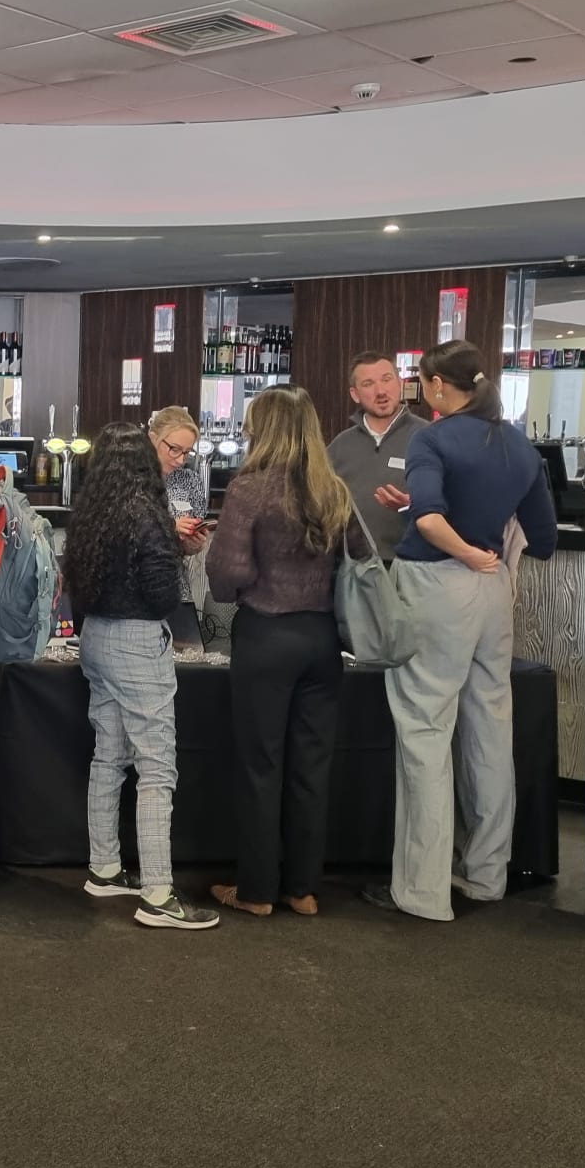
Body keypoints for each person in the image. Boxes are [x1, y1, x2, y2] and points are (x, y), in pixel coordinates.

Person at [365, 341, 557, 921]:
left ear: (438, 387)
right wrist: (479, 550)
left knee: (425, 730)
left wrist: (462, 548)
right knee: (490, 730)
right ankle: (487, 875)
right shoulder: (520, 444)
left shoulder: (432, 436)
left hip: (436, 586)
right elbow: (544, 540)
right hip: (495, 593)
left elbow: (429, 520)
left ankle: (422, 891)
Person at [205, 388, 360, 918]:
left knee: (260, 767)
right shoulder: (333, 488)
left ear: (261, 429)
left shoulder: (249, 488)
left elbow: (226, 578)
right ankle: (303, 888)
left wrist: (250, 577)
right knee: (310, 769)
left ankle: (255, 891)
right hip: (323, 641)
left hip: (267, 637)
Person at [61, 424, 220, 930]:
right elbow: (162, 595)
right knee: (156, 769)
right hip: (136, 641)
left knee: (107, 754)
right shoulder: (148, 515)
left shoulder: (90, 512)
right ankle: (157, 893)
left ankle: (104, 867)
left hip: (95, 638)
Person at [325, 352, 429, 562]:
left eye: (386, 379)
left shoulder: (429, 438)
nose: (380, 391)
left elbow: (454, 505)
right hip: (351, 569)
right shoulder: (340, 445)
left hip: (411, 569)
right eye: (368, 383)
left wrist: (415, 504)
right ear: (355, 394)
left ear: (399, 383)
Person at [150, 406, 212, 559]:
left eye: (186, 452)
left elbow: (189, 546)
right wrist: (169, 528)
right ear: (153, 438)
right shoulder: (130, 479)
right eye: (174, 449)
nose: (180, 460)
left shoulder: (190, 480)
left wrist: (194, 544)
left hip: (175, 576)